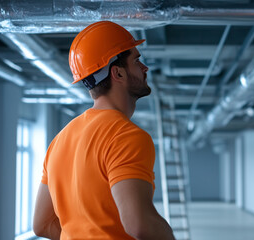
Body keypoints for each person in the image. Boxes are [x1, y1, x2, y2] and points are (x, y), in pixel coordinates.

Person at [33, 21, 175, 240]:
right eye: (136, 61)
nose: (145, 68)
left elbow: (41, 225)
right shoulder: (126, 136)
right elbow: (139, 224)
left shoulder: (59, 140)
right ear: (117, 73)